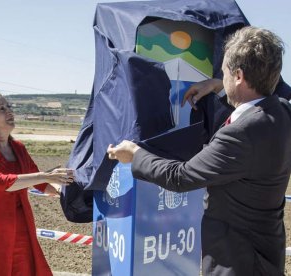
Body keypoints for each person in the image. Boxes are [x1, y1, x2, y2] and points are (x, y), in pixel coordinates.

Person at [107, 27, 291, 275]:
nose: (222, 76)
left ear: (238, 75)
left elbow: (180, 176)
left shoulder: (240, 134)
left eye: (224, 72)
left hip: (237, 263)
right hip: (267, 256)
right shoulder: (281, 112)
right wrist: (220, 87)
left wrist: (135, 154)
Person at [0, 92, 74, 276]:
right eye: (2, 109)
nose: (9, 112)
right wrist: (45, 176)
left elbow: (42, 185)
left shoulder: (19, 148)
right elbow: (0, 182)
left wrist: (66, 189)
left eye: (9, 107)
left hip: (22, 229)